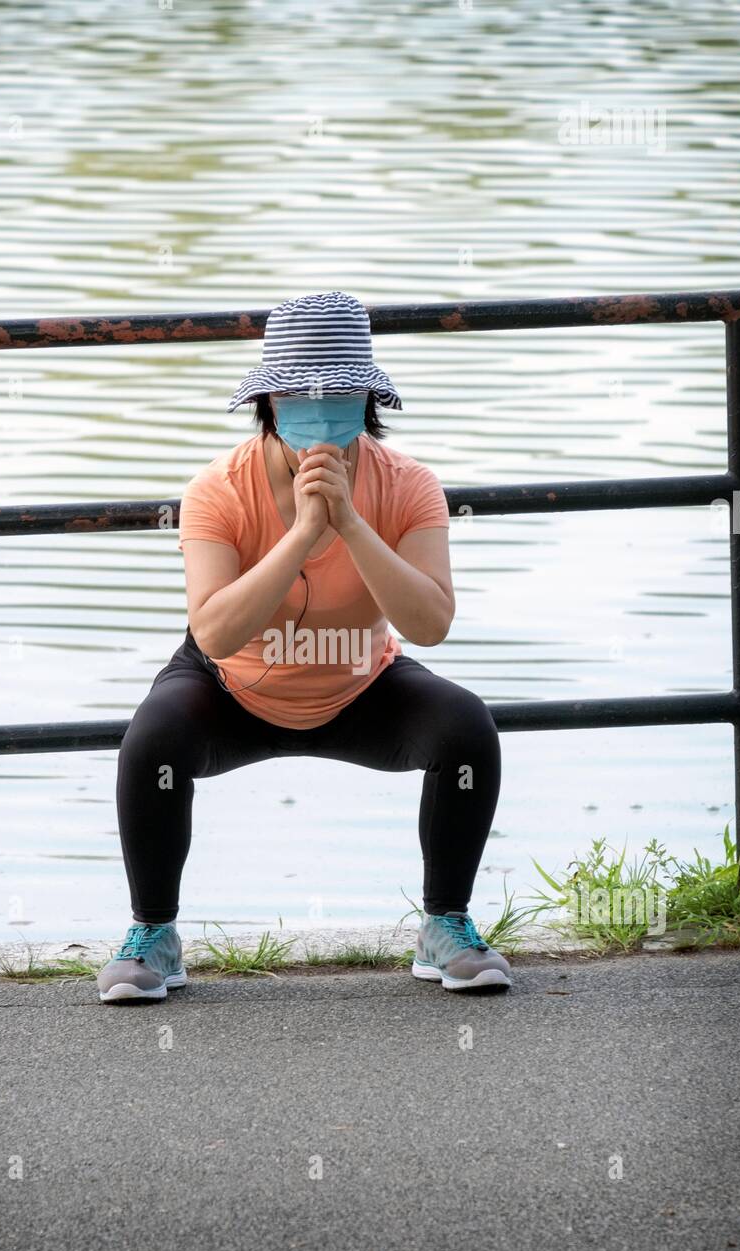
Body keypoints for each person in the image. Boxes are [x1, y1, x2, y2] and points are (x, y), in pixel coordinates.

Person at [97, 290, 509, 1002]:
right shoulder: (217, 490)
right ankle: (153, 937)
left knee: (466, 725)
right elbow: (214, 630)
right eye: (298, 394)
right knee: (152, 739)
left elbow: (432, 622)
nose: (320, 412)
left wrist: (351, 523)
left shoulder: (410, 485)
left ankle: (447, 925)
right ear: (270, 402)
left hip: (358, 682)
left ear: (366, 400)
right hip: (233, 686)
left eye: (340, 393)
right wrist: (300, 537)